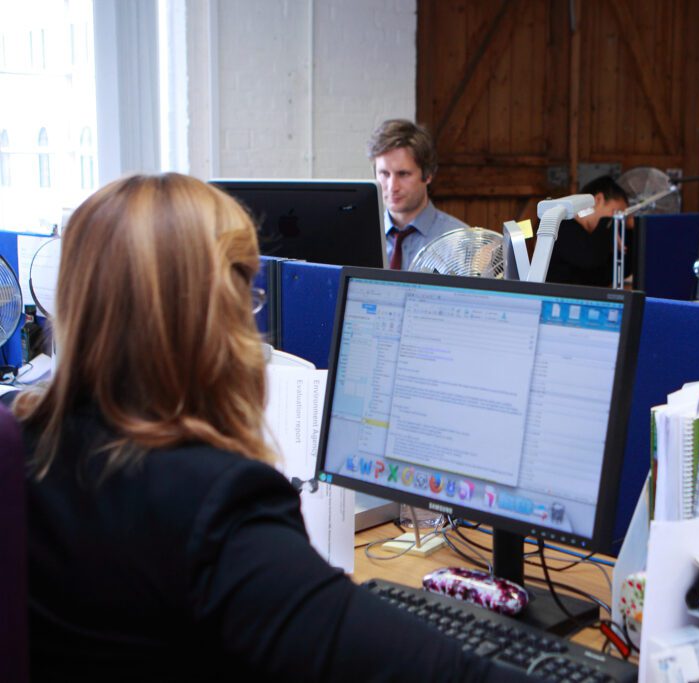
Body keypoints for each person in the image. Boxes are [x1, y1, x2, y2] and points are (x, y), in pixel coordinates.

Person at [7, 174, 528, 682]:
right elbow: (435, 670)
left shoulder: (25, 448)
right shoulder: (210, 506)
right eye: (246, 296)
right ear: (213, 318)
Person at [367, 119, 468, 270]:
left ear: (428, 175)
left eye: (403, 174)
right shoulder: (360, 238)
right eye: (384, 174)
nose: (392, 186)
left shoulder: (461, 242)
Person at [545, 175, 630, 287]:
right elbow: (591, 259)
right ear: (598, 199)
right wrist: (608, 223)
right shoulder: (563, 227)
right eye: (616, 213)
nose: (617, 220)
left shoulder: (595, 238)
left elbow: (611, 275)